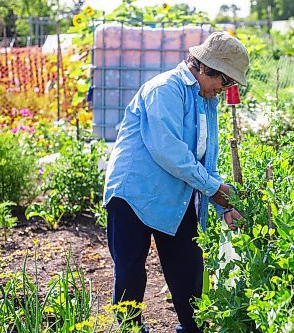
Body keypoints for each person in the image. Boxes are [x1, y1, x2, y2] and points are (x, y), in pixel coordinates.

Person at [103, 31, 249, 333]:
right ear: (207, 68)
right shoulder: (165, 89)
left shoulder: (205, 99)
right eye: (226, 81)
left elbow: (205, 160)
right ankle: (131, 330)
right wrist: (213, 190)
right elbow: (167, 150)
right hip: (133, 192)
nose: (225, 89)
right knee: (130, 271)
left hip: (173, 192)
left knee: (188, 265)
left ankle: (192, 328)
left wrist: (224, 202)